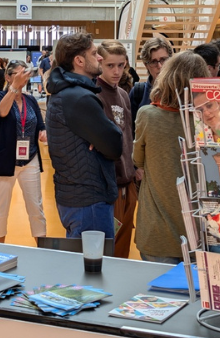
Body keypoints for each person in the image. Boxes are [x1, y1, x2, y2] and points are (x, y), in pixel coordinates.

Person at [133, 51, 209, 263]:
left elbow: (137, 160)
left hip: (157, 229)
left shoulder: (148, 115)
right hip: (200, 229)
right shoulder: (210, 121)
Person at [46, 33, 122, 237]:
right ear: (79, 61)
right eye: (95, 53)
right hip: (89, 199)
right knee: (93, 265)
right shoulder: (79, 98)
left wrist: (98, 140)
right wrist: (101, 140)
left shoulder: (64, 92)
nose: (100, 58)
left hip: (75, 195)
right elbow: (115, 145)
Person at [0, 60, 48, 243]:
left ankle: (43, 250)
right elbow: (3, 112)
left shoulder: (30, 99)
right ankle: (0, 250)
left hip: (29, 159)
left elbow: (40, 123)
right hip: (5, 161)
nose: (24, 76)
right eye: (19, 73)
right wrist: (13, 87)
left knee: (36, 208)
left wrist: (43, 131)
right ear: (8, 76)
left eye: (26, 73)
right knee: (1, 211)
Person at [96, 41, 140, 258]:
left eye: (121, 65)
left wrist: (133, 168)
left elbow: (128, 134)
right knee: (106, 242)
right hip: (107, 183)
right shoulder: (94, 93)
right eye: (110, 65)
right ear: (99, 63)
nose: (116, 71)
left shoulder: (123, 94)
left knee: (124, 241)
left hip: (127, 180)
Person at [130, 37, 173, 128]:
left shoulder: (179, 90)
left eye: (163, 59)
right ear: (146, 65)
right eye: (153, 61)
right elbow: (131, 129)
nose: (159, 66)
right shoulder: (138, 92)